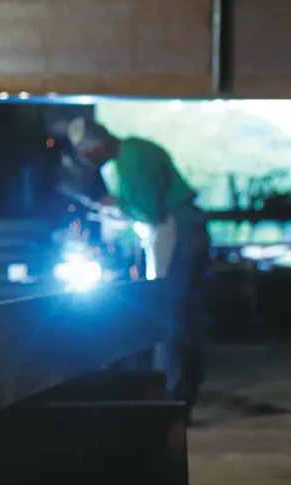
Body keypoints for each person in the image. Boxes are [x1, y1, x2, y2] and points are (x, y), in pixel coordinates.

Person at [67, 116, 209, 404]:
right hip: (188, 231)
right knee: (184, 316)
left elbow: (147, 210)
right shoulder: (134, 152)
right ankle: (181, 390)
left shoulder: (131, 158)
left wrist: (115, 206)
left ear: (95, 148)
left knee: (170, 315)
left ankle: (172, 395)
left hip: (179, 233)